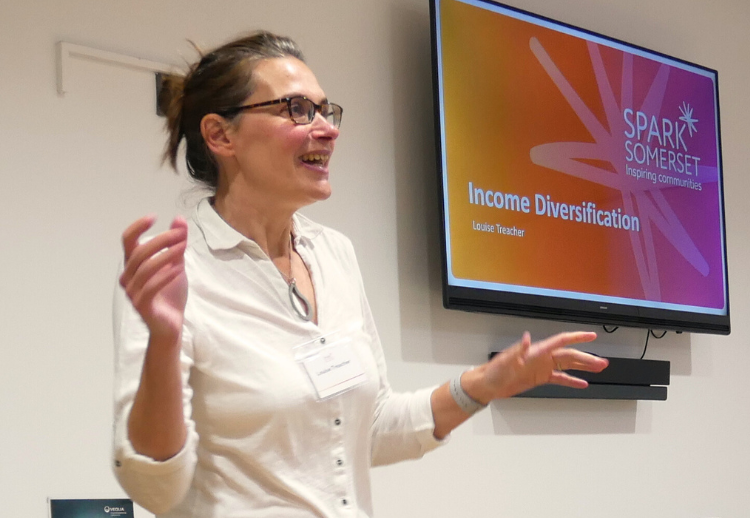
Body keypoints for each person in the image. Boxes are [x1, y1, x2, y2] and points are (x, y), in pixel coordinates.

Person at [112, 31, 608, 518]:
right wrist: (162, 341)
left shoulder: (334, 254)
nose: (327, 128)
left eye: (326, 110)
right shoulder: (175, 275)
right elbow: (157, 489)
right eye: (296, 110)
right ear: (221, 135)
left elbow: (369, 430)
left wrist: (481, 385)